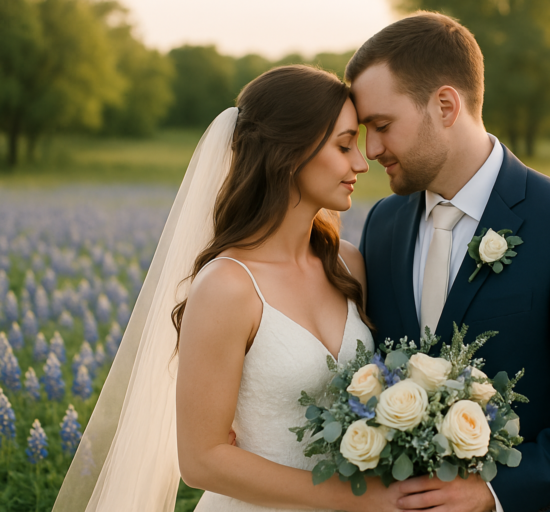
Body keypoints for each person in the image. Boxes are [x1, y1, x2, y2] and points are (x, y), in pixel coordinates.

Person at [52, 65, 404, 512]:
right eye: (343, 145)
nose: (361, 161)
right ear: (289, 153)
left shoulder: (348, 263)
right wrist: (360, 499)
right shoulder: (228, 285)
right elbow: (201, 461)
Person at [350, 12, 550, 512]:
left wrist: (494, 491)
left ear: (445, 105)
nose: (371, 149)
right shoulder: (383, 221)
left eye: (382, 126)